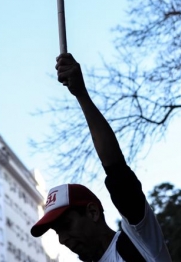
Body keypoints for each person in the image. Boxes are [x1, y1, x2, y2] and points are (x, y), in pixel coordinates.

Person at [30, 53, 172, 262]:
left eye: (66, 226)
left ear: (93, 212)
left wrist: (81, 94)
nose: (62, 239)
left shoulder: (138, 243)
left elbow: (116, 169)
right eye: (57, 232)